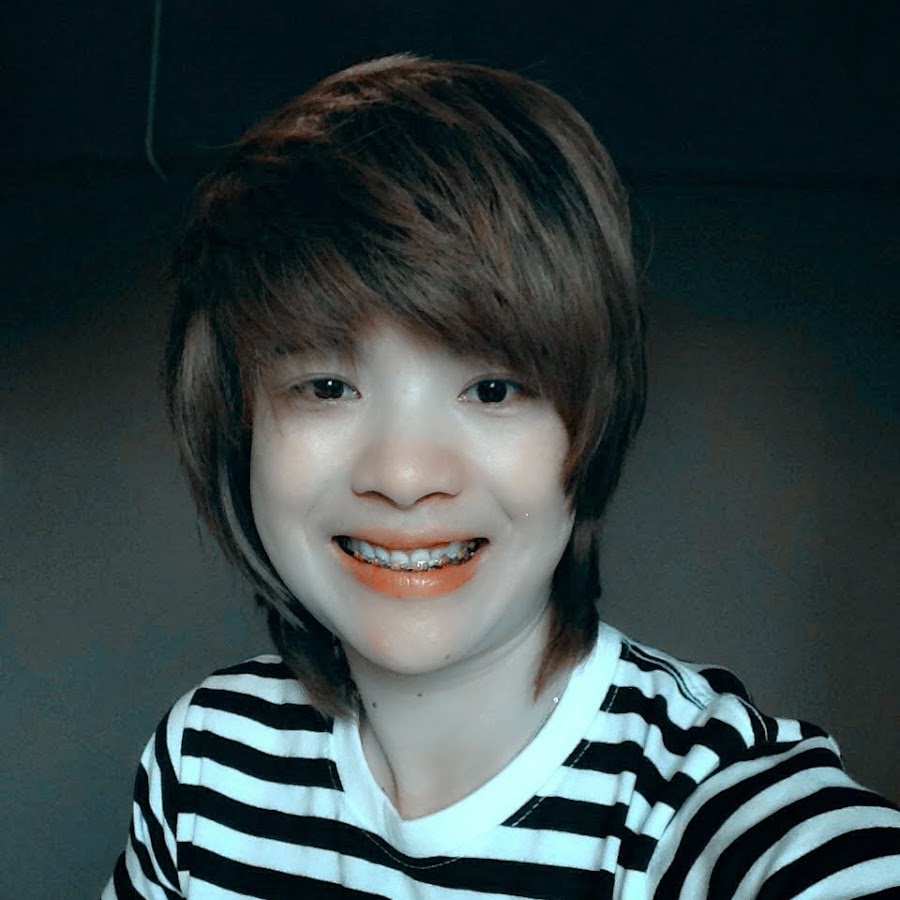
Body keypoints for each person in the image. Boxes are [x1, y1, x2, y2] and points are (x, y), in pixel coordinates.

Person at [103, 54, 900, 899]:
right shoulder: (205, 765)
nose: (404, 474)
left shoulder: (699, 804)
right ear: (239, 427)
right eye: (327, 387)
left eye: (493, 389)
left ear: (591, 425)